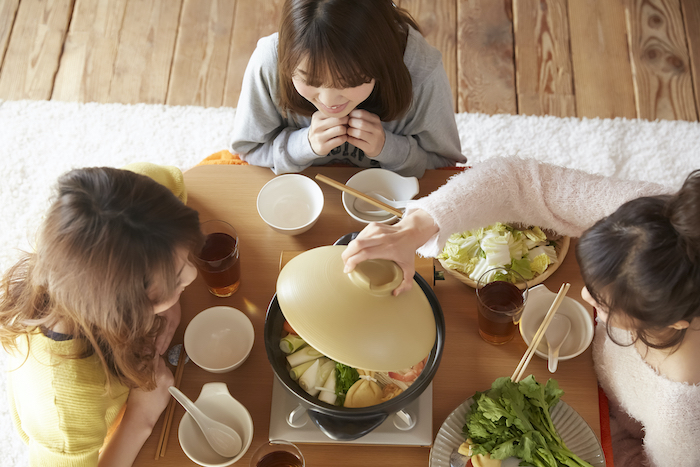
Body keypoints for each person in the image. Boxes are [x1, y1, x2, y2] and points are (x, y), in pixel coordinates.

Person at [341, 157, 700, 467]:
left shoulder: (685, 411)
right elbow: (515, 180)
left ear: (677, 321)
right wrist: (411, 230)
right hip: (583, 377)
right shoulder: (656, 226)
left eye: (604, 303)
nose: (586, 296)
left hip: (612, 433)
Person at [0, 166, 204, 466]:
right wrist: (141, 417)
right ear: (125, 307)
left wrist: (168, 301)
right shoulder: (63, 411)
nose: (194, 273)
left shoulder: (120, 206)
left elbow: (174, 185)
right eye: (176, 278)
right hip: (99, 431)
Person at [230, 0, 466, 178]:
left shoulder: (421, 70)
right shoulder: (270, 62)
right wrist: (302, 146)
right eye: (309, 80)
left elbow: (444, 166)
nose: (329, 101)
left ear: (380, 63)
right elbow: (247, 149)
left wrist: (389, 148)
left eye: (350, 82)